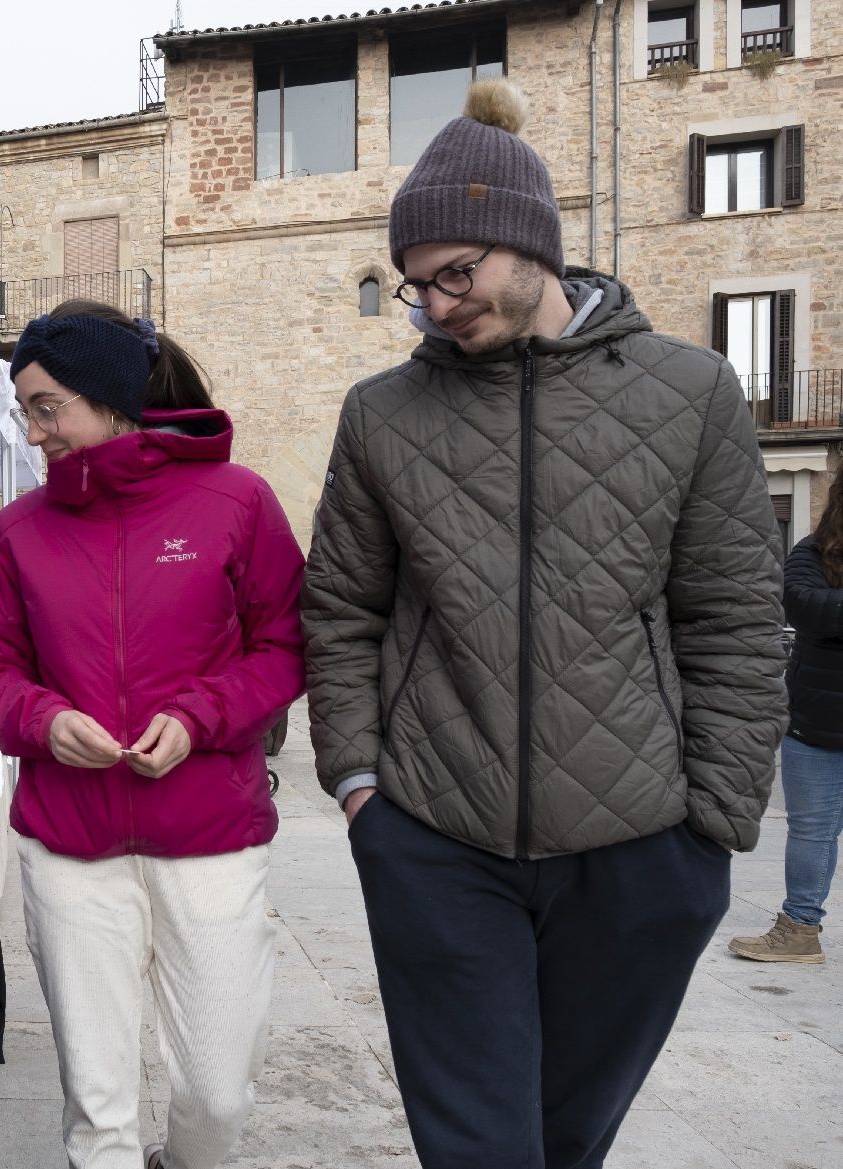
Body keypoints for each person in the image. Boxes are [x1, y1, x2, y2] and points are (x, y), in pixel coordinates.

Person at [302, 78, 786, 1168]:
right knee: (480, 1148)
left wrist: (709, 821)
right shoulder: (381, 414)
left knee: (564, 1141)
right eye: (415, 286)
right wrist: (358, 783)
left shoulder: (690, 391)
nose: (433, 304)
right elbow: (337, 605)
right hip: (432, 835)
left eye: (453, 275)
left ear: (530, 245)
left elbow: (733, 617)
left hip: (639, 844)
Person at [0, 302, 305, 1169]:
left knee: (218, 1095)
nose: (34, 429)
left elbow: (284, 646)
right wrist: (44, 721)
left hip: (210, 837)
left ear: (111, 399)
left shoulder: (238, 501)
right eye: (27, 409)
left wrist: (199, 717)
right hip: (71, 848)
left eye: (48, 407)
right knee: (100, 1106)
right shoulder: (18, 531)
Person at [730, 476, 843, 963]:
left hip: (813, 717)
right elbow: (801, 604)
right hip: (814, 726)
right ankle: (800, 931)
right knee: (812, 830)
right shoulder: (812, 552)